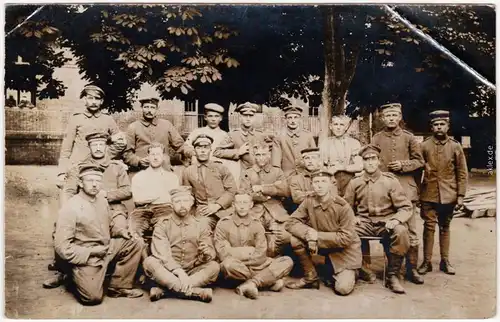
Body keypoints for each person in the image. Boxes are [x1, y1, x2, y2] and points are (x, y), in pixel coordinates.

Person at [43, 132, 133, 289]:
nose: (98, 148)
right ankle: (64, 271)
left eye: (101, 145)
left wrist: (107, 195)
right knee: (60, 227)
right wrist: (68, 212)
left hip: (114, 209)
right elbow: (69, 191)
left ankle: (112, 275)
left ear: (106, 146)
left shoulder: (116, 167)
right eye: (94, 145)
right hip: (86, 209)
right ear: (89, 147)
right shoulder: (79, 167)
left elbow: (127, 191)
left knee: (121, 227)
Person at [54, 164, 143, 305]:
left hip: (106, 249)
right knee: (92, 298)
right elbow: (62, 247)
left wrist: (121, 232)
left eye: (98, 181)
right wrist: (91, 252)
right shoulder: (71, 207)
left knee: (135, 242)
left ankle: (118, 286)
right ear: (80, 183)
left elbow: (109, 226)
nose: (95, 185)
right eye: (90, 181)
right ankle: (72, 274)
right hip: (88, 257)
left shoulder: (102, 200)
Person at [344, 144, 412, 294]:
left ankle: (392, 275)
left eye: (373, 159)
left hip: (386, 222)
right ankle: (359, 268)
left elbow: (405, 207)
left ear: (379, 161)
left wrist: (396, 220)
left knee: (401, 232)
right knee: (346, 231)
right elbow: (345, 207)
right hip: (364, 222)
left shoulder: (390, 181)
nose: (370, 162)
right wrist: (352, 217)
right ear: (362, 162)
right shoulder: (355, 182)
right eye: (366, 159)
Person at [372, 102, 425, 285]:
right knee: (390, 230)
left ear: (400, 117)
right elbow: (371, 161)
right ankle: (393, 271)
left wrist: (403, 165)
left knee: (410, 231)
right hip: (384, 191)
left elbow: (420, 162)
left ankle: (412, 269)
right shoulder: (377, 138)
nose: (391, 118)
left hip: (406, 190)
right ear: (382, 118)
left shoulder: (409, 138)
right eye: (388, 115)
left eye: (395, 115)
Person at [285, 170, 361, 296]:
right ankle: (311, 277)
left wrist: (317, 236)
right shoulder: (309, 201)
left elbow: (346, 238)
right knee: (295, 239)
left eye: (323, 181)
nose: (319, 185)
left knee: (343, 289)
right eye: (316, 182)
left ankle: (353, 271)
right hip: (324, 247)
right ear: (312, 185)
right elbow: (291, 222)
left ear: (331, 184)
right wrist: (308, 233)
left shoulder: (342, 206)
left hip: (344, 252)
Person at [143, 186, 220, 302]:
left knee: (214, 266)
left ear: (191, 203)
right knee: (149, 262)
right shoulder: (162, 225)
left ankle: (166, 291)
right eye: (178, 201)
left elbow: (210, 253)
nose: (182, 205)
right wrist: (179, 272)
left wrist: (206, 254)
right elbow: (162, 254)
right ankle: (196, 292)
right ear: (171, 205)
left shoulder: (201, 224)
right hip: (169, 271)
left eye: (185, 201)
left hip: (193, 270)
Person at [214, 191, 293, 299]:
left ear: (251, 205)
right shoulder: (223, 224)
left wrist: (235, 251)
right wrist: (250, 251)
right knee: (227, 265)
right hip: (236, 267)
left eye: (245, 203)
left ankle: (250, 283)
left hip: (256, 266)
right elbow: (222, 253)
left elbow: (261, 254)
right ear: (233, 205)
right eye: (239, 203)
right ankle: (266, 280)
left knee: (287, 261)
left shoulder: (257, 224)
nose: (242, 206)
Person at [417, 110, 468, 276]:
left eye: (442, 124)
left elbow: (462, 172)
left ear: (447, 126)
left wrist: (460, 195)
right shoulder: (424, 146)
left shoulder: (455, 146)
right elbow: (417, 171)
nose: (439, 127)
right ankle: (426, 261)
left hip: (449, 194)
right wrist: (418, 194)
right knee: (428, 227)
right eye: (436, 125)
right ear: (431, 127)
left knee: (445, 227)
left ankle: (445, 261)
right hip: (428, 193)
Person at [56, 85, 121, 190]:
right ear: (85, 99)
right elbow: (66, 149)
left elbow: (120, 141)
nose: (94, 102)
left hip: (101, 167)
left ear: (102, 101)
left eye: (97, 98)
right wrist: (62, 172)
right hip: (79, 165)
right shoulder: (76, 119)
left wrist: (107, 155)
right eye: (90, 98)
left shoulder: (108, 119)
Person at [240, 141, 291, 258]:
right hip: (254, 210)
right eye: (258, 155)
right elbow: (244, 193)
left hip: (276, 210)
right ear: (254, 156)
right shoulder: (247, 173)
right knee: (249, 235)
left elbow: (285, 191)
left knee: (283, 235)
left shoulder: (277, 171)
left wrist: (262, 188)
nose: (261, 158)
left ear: (269, 155)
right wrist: (270, 191)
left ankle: (275, 261)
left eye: (264, 154)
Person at [130, 142, 180, 258]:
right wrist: (159, 195)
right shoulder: (139, 177)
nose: (155, 157)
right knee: (134, 233)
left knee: (162, 231)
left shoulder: (172, 177)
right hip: (142, 210)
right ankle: (146, 262)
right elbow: (138, 200)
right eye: (152, 154)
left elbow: (172, 199)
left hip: (164, 209)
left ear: (163, 157)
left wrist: (149, 196)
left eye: (158, 154)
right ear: (148, 157)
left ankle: (161, 263)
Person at [213, 102, 278, 184]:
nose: (248, 118)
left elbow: (271, 153)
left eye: (251, 116)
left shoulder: (261, 135)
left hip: (261, 177)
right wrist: (238, 152)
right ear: (240, 117)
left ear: (254, 117)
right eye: (245, 115)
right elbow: (217, 152)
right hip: (241, 178)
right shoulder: (233, 135)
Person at [182, 134, 237, 230]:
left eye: (206, 147)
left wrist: (217, 205)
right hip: (203, 212)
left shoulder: (221, 168)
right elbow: (187, 195)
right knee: (201, 228)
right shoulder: (188, 171)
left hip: (225, 210)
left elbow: (231, 190)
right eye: (199, 148)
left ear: (210, 149)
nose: (203, 151)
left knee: (232, 230)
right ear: (194, 150)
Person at [123, 96, 185, 174]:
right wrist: (138, 161)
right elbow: (126, 153)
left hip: (163, 170)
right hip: (141, 171)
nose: (149, 110)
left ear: (157, 109)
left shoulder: (166, 125)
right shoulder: (133, 127)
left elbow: (180, 145)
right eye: (146, 107)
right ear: (141, 108)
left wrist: (192, 155)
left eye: (152, 107)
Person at [319, 115, 363, 197]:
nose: (338, 128)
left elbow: (359, 166)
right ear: (331, 127)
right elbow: (321, 165)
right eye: (335, 124)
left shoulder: (354, 143)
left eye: (341, 125)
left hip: (349, 181)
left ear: (346, 127)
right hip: (331, 180)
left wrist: (340, 167)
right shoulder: (325, 143)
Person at [271, 106, 316, 177]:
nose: (293, 120)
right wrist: (279, 177)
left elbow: (314, 158)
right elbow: (275, 163)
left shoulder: (308, 136)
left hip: (305, 175)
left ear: (300, 119)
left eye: (296, 117)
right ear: (285, 119)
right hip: (286, 176)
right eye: (290, 117)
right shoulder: (279, 137)